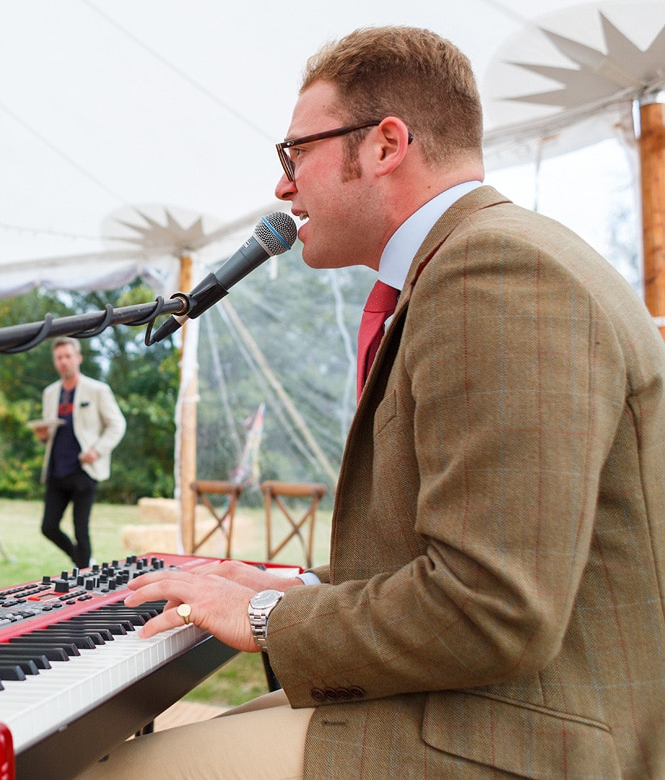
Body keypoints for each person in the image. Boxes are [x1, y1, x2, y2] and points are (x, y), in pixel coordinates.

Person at [78, 27, 665, 779]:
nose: (283, 187)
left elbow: (493, 607)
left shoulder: (496, 269)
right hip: (482, 710)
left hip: (526, 740)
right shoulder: (471, 263)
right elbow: (450, 560)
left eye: (295, 155)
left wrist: (263, 618)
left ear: (386, 144)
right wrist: (293, 587)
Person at [34, 337, 125, 569]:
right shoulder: (50, 393)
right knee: (48, 527)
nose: (63, 361)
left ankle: (85, 580)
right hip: (57, 469)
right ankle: (83, 563)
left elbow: (117, 425)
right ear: (54, 362)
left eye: (67, 356)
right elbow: (49, 433)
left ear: (78, 358)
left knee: (80, 530)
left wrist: (97, 451)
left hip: (84, 469)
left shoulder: (98, 390)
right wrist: (43, 435)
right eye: (59, 357)